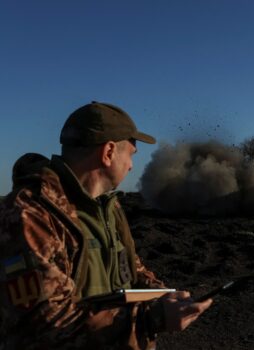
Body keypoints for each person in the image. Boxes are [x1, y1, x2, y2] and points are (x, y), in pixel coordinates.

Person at [0, 101, 212, 349]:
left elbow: (130, 270)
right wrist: (153, 319)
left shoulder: (108, 208)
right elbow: (46, 325)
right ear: (109, 152)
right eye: (131, 154)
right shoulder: (30, 214)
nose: (132, 165)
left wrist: (163, 294)